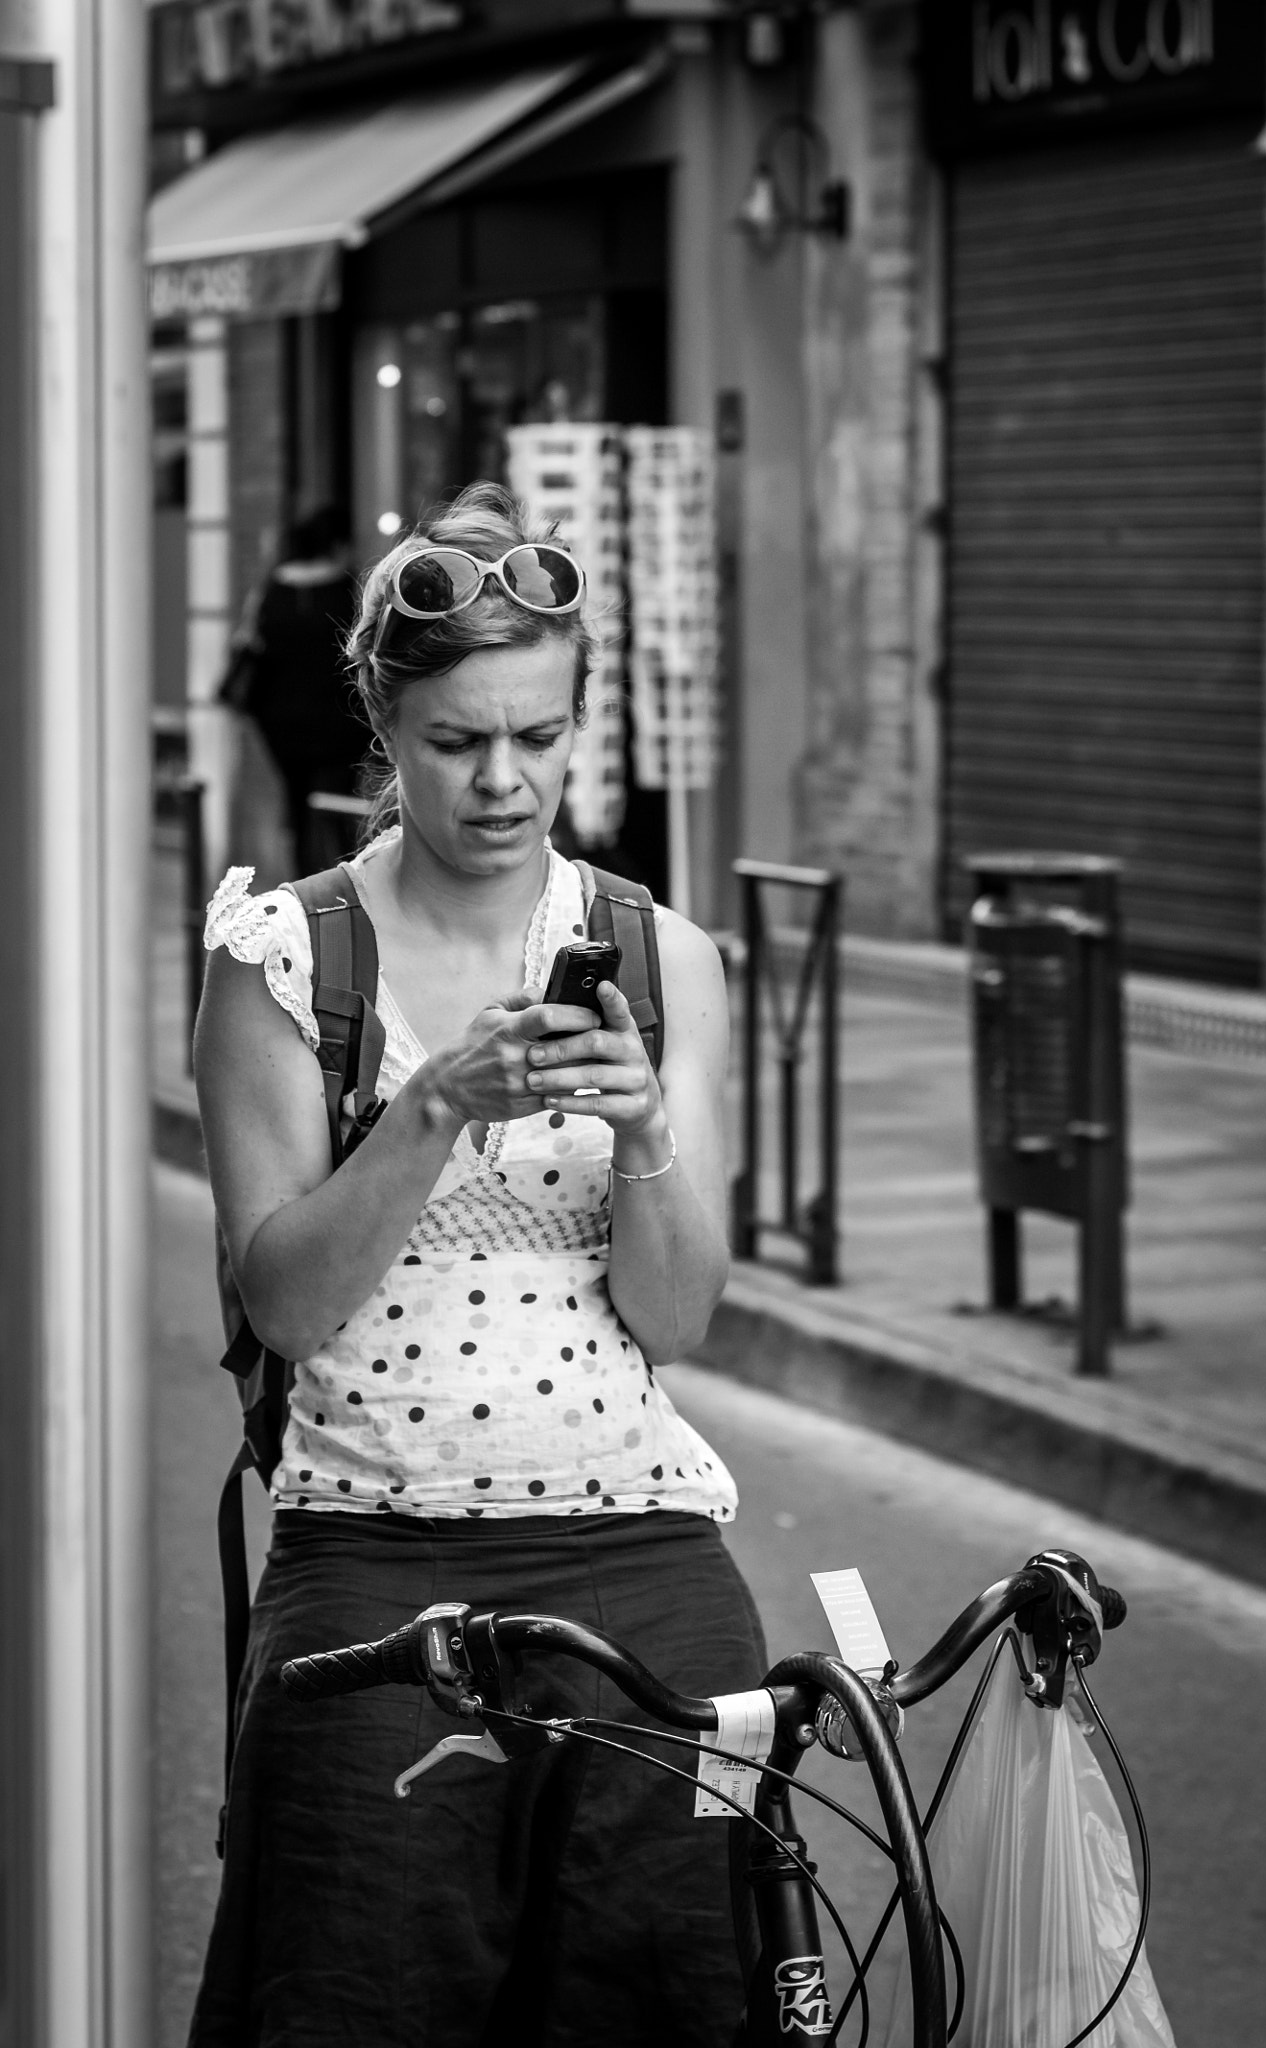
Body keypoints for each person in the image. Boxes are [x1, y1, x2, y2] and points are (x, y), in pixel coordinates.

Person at [190, 482, 764, 2047]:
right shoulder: (285, 961)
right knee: (354, 1998)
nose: (504, 780)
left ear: (580, 724)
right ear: (383, 725)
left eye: (539, 735)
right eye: (456, 742)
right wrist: (434, 1104)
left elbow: (676, 1318)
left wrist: (643, 1130)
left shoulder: (665, 956)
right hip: (375, 1554)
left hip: (645, 1549)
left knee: (679, 1999)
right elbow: (284, 1303)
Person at [229, 505, 368, 866]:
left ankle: (305, 878)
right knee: (338, 809)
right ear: (338, 545)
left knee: (299, 806)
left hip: (281, 723)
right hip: (338, 724)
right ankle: (343, 882)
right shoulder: (348, 590)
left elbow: (251, 646)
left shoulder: (272, 590)